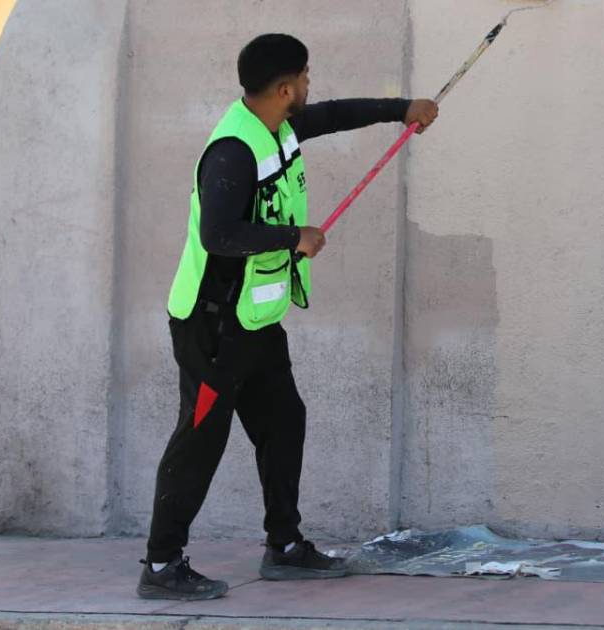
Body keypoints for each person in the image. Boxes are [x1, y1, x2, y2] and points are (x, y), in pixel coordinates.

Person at [137, 33, 438, 601]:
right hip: (212, 327)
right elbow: (219, 235)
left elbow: (333, 115)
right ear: (283, 88)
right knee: (200, 439)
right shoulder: (234, 150)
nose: (308, 84)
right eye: (304, 76)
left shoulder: (278, 127)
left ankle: (285, 546)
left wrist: (402, 110)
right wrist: (293, 237)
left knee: (283, 422)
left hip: (255, 320)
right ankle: (160, 564)